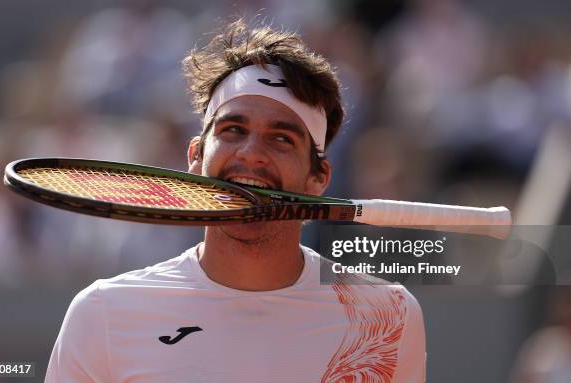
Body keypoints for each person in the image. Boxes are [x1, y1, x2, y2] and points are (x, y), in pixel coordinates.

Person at [45, 19, 426, 382]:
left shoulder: (388, 315)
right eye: (233, 130)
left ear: (318, 178)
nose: (251, 154)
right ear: (196, 157)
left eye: (281, 139)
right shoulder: (103, 314)